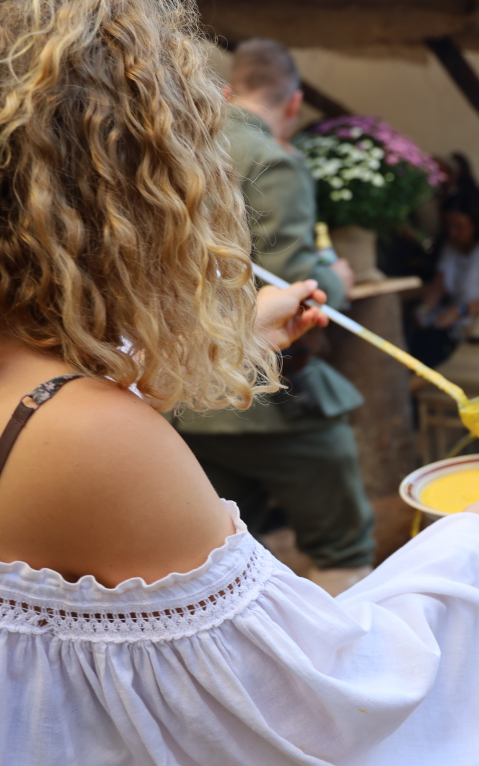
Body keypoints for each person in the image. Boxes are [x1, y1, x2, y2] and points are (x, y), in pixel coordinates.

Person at [0, 2, 479, 765]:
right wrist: (473, 547)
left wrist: (238, 334)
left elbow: (45, 427)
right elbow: (318, 710)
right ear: (131, 195)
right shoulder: (98, 441)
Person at [172, 39, 372, 596]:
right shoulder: (272, 161)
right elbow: (292, 286)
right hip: (264, 396)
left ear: (231, 91)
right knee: (344, 545)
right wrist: (338, 280)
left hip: (183, 398)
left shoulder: (183, 147)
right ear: (295, 103)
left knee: (224, 556)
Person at [412, 191, 479, 366]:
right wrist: (422, 310)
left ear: (476, 224)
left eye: (460, 227)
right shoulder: (451, 248)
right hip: (454, 332)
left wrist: (460, 310)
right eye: (449, 226)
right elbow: (438, 286)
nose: (453, 233)